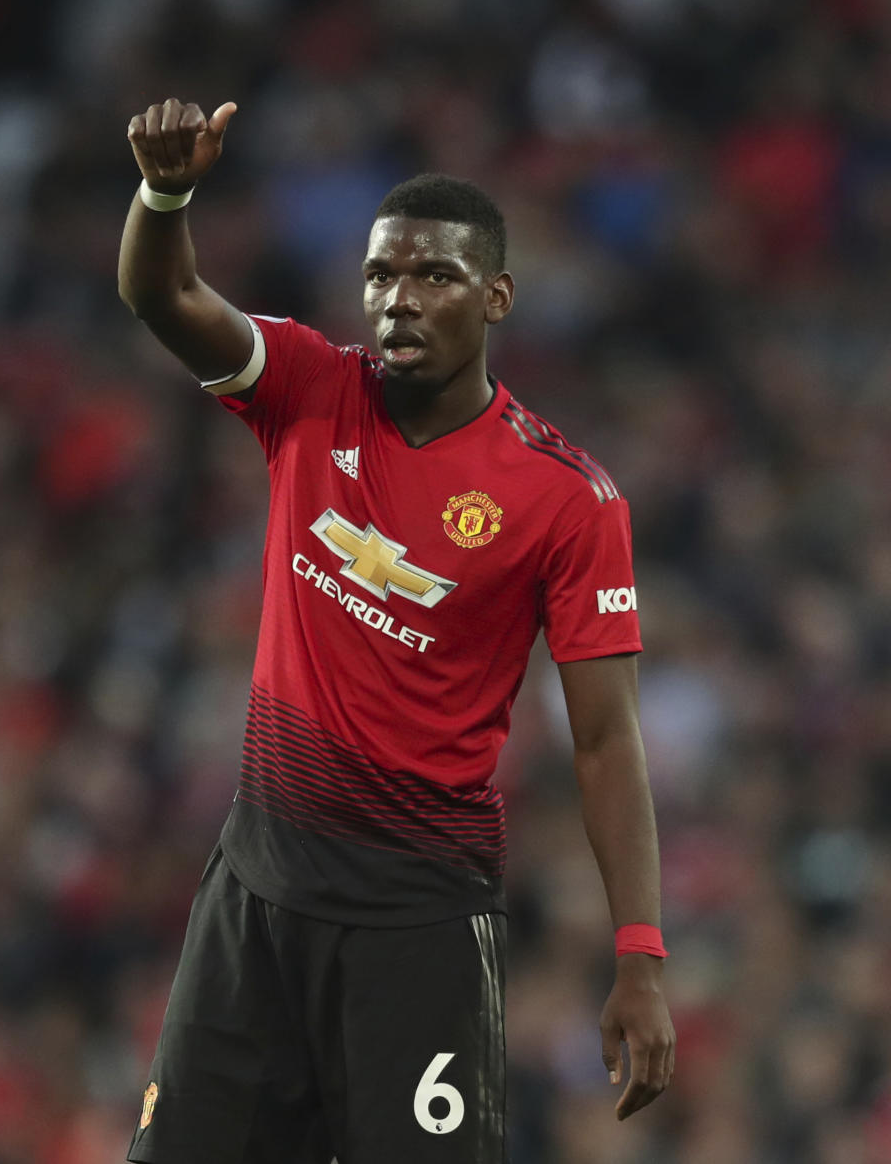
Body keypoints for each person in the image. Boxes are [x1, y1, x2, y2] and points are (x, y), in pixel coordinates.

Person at [118, 97, 676, 1164]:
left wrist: (639, 956)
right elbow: (161, 289)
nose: (399, 300)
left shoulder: (567, 498)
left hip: (415, 924)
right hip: (257, 899)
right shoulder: (307, 389)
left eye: (434, 277)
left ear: (497, 295)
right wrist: (165, 191)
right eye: (381, 276)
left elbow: (607, 741)